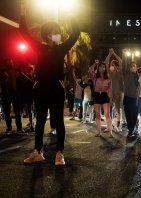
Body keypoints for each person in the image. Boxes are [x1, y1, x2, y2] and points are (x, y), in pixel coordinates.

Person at [20, 1, 80, 165]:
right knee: (40, 120)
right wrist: (23, 13)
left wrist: (71, 14)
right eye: (55, 32)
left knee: (58, 120)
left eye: (59, 32)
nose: (58, 34)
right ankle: (37, 152)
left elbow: (76, 33)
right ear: (47, 34)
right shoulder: (40, 47)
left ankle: (59, 154)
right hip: (40, 87)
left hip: (56, 87)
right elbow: (24, 33)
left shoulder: (61, 48)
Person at [0, 59, 24, 135]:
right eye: (8, 62)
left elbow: (21, 81)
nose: (10, 63)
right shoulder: (2, 72)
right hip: (6, 95)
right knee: (6, 112)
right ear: (5, 64)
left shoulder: (16, 71)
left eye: (11, 62)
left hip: (15, 94)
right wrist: (5, 80)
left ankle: (19, 128)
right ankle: (9, 128)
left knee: (18, 112)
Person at [105, 49, 123, 132]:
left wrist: (114, 53)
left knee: (117, 110)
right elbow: (105, 62)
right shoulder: (110, 73)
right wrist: (109, 54)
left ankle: (118, 126)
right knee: (109, 110)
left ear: (117, 66)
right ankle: (110, 125)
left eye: (113, 65)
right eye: (111, 65)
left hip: (117, 93)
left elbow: (121, 61)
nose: (112, 66)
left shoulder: (120, 72)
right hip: (109, 94)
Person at [93, 62, 113, 138]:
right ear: (98, 68)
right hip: (97, 95)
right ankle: (99, 132)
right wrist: (95, 64)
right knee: (97, 115)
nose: (102, 68)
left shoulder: (108, 77)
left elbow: (110, 89)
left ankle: (110, 132)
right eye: (100, 67)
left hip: (104, 95)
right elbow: (90, 71)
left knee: (107, 115)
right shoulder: (95, 76)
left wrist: (110, 98)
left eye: (103, 67)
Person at [16, 63, 35, 132]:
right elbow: (17, 88)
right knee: (21, 112)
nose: (28, 71)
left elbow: (33, 87)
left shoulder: (31, 77)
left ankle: (32, 126)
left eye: (30, 69)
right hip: (22, 96)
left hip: (29, 96)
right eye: (27, 69)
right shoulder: (19, 78)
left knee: (30, 111)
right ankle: (20, 127)